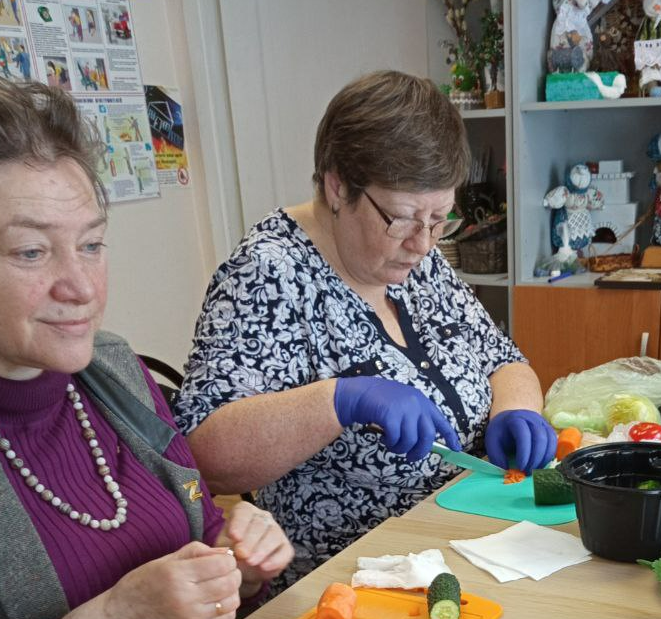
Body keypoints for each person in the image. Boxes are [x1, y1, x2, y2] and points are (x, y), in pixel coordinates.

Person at [0, 78, 294, 619]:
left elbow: (208, 533)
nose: (82, 287)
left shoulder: (116, 371)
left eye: (92, 244)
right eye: (32, 252)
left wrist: (241, 561)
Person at [175, 70, 555, 592]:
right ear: (338, 186)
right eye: (401, 218)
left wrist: (518, 409)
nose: (423, 243)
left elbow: (500, 358)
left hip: (470, 549)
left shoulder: (416, 258)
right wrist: (339, 401)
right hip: (356, 586)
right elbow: (204, 452)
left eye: (440, 219)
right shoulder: (267, 275)